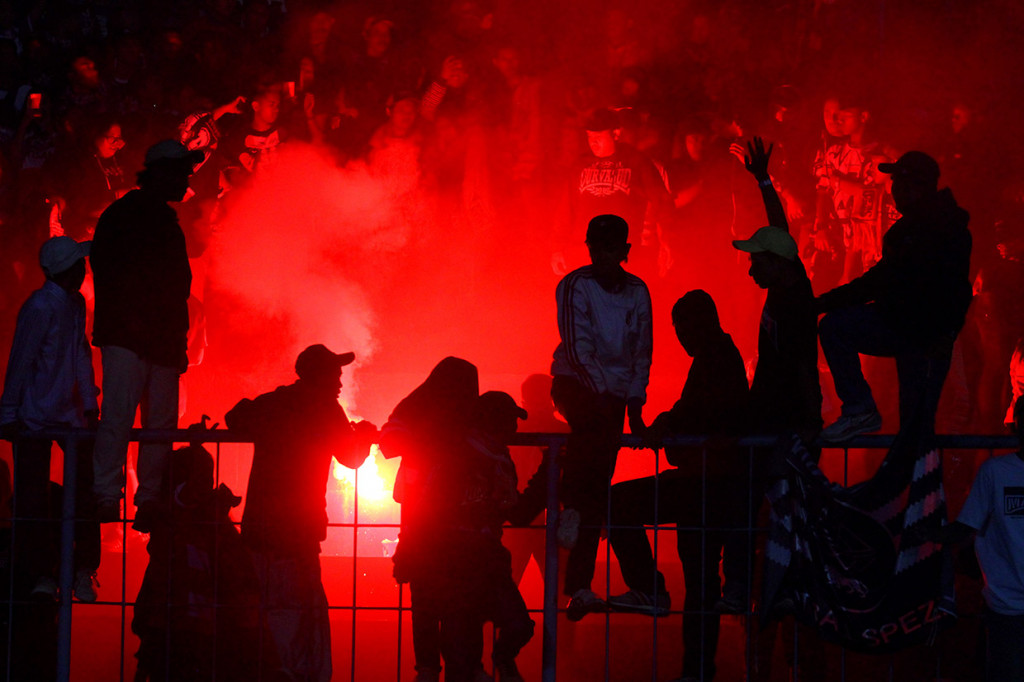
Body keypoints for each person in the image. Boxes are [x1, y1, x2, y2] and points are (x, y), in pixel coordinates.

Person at [605, 290, 749, 682]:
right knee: (701, 584)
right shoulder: (719, 356)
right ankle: (697, 670)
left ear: (696, 323)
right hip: (714, 486)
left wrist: (666, 425)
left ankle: (649, 589)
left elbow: (702, 412)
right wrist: (670, 423)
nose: (680, 337)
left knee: (618, 502)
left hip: (701, 484)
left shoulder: (714, 360)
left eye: (680, 328)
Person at [224, 344, 376, 682]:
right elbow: (351, 458)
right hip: (296, 538)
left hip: (258, 532)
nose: (339, 381)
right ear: (318, 376)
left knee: (261, 622)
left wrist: (267, 402)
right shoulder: (324, 408)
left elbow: (235, 418)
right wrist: (364, 435)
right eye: (334, 373)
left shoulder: (276, 403)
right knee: (296, 628)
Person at [816, 151, 972, 441]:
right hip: (910, 330)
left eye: (901, 182)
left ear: (919, 186)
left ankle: (863, 414)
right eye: (895, 182)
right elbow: (878, 281)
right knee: (914, 424)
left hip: (923, 336)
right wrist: (823, 303)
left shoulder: (938, 229)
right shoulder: (913, 228)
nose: (895, 189)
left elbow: (956, 289)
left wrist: (945, 334)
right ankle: (863, 413)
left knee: (916, 425)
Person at [90, 139, 201, 531]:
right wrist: (160, 334)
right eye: (182, 171)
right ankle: (123, 495)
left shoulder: (130, 215)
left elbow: (171, 287)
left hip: (143, 339)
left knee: (138, 421)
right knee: (137, 420)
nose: (187, 177)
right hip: (137, 338)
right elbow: (134, 281)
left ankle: (118, 495)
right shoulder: (137, 218)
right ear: (161, 173)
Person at [551, 213, 652, 621]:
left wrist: (634, 404)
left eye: (611, 249)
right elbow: (579, 348)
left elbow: (642, 352)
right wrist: (610, 402)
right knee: (594, 471)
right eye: (598, 249)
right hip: (575, 384)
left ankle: (578, 585)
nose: (605, 256)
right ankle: (578, 579)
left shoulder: (638, 291)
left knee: (594, 489)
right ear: (590, 248)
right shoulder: (574, 285)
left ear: (624, 251)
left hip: (610, 398)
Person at [0, 236, 101, 603]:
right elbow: (21, 360)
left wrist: (88, 403)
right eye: (79, 263)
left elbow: (79, 353)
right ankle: (55, 571)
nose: (84, 268)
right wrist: (9, 411)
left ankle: (65, 571)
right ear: (67, 269)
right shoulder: (42, 307)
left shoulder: (68, 303)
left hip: (55, 414)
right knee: (38, 498)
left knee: (56, 494)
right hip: (40, 415)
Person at [419, 391, 535, 682]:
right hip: (460, 561)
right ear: (493, 422)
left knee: (509, 627)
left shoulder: (490, 457)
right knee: (470, 642)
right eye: (510, 421)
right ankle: (498, 662)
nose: (515, 429)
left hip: (479, 559)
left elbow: (516, 511)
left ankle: (497, 662)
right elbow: (518, 512)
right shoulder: (476, 457)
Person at [379, 357, 480, 682]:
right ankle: (459, 667)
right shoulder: (468, 416)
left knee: (425, 596)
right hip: (454, 522)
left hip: (422, 519)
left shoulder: (413, 407)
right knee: (458, 599)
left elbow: (388, 443)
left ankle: (428, 668)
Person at [932, 396, 1024, 681]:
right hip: (1006, 605)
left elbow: (964, 527)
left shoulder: (996, 471)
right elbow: (965, 526)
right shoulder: (996, 472)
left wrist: (922, 535)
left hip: (1006, 603)